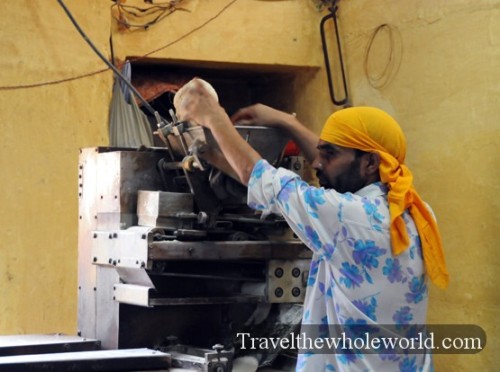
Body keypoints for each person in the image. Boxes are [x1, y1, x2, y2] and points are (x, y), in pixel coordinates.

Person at [175, 78, 449, 371]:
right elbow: (333, 172)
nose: (316, 163)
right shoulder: (415, 211)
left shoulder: (347, 218)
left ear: (370, 164)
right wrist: (284, 122)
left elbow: (261, 178)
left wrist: (212, 115)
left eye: (328, 154)